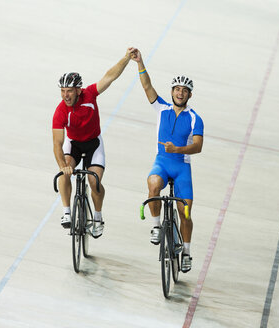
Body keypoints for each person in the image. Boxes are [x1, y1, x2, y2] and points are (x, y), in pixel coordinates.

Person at [131, 49, 204, 273]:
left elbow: (198, 146)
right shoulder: (161, 108)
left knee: (186, 213)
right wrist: (140, 62)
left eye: (184, 90)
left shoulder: (195, 118)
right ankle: (156, 227)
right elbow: (146, 86)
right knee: (152, 184)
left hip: (182, 167)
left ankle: (187, 252)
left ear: (190, 95)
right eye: (177, 89)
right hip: (162, 162)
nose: (180, 93)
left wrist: (179, 148)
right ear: (171, 91)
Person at [52, 47, 136, 238]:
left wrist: (125, 58)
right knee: (63, 174)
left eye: (69, 91)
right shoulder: (60, 111)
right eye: (63, 91)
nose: (66, 95)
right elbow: (57, 144)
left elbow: (110, 76)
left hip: (93, 144)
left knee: (94, 181)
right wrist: (63, 166)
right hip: (73, 144)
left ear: (78, 90)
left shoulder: (90, 94)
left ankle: (97, 217)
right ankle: (66, 212)